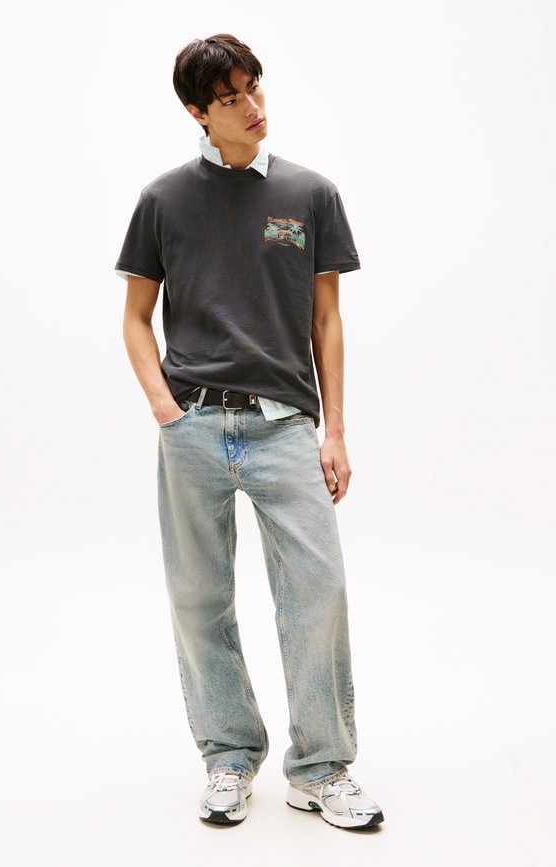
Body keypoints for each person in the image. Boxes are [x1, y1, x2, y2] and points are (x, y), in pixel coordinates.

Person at [114, 33, 384, 831]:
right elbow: (135, 318)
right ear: (197, 112)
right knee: (200, 598)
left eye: (254, 86)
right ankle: (229, 755)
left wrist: (335, 431)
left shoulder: (310, 194)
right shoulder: (163, 200)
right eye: (230, 97)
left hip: (283, 426)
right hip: (193, 425)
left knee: (317, 591)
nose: (252, 105)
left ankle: (322, 768)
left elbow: (327, 320)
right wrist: (166, 409)